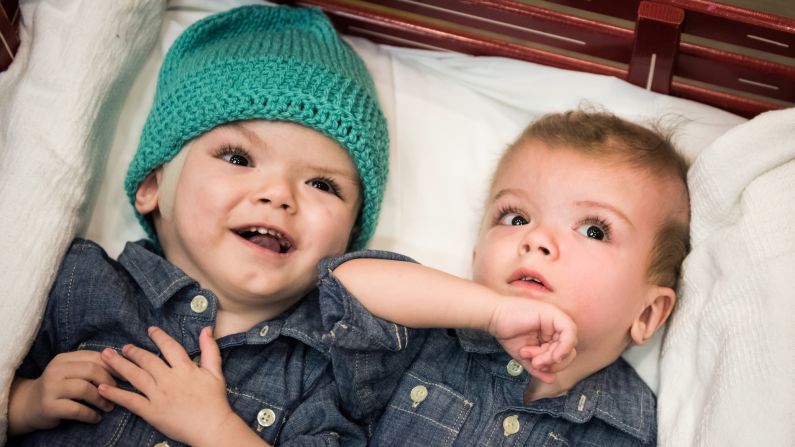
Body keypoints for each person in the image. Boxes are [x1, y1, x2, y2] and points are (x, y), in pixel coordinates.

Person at [6, 5, 578, 446]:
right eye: (237, 158)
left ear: (350, 242)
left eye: (322, 185)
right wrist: (25, 404)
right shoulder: (77, 284)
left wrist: (218, 431)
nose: (278, 195)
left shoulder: (325, 370)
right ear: (154, 184)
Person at [320, 110, 690, 445]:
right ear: (476, 256)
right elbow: (343, 283)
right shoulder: (430, 333)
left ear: (647, 315)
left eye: (594, 230)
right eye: (516, 219)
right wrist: (492, 312)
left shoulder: (631, 431)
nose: (536, 239)